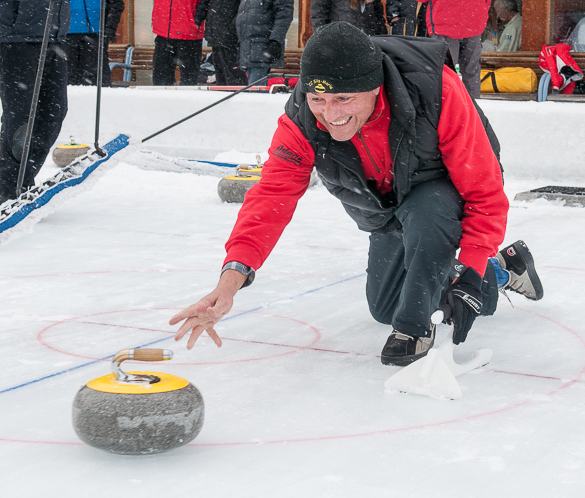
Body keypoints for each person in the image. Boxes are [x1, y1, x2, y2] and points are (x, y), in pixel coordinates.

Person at [170, 22, 544, 366]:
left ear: (374, 87)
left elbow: (484, 192)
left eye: (343, 99)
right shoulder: (302, 119)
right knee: (386, 308)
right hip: (384, 209)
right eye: (319, 100)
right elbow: (271, 197)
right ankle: (503, 271)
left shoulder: (436, 91)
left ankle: (415, 328)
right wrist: (230, 280)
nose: (329, 114)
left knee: (424, 241)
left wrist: (474, 259)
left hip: (442, 192)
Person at [0, 0, 70, 205]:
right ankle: (11, 186)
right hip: (14, 31)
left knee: (53, 111)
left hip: (51, 33)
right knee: (21, 114)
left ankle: (25, 177)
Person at [417, 0, 491, 99]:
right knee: (471, 72)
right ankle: (474, 107)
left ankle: (445, 105)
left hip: (444, 22)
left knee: (444, 72)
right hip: (474, 21)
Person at [66, 0, 124, 86]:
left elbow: (116, 5)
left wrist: (110, 27)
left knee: (95, 76)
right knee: (68, 76)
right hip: (67, 34)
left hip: (95, 33)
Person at [236, 0, 293, 85]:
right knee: (253, 88)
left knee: (256, 91)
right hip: (247, 48)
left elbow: (284, 15)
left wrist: (275, 40)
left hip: (262, 47)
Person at [151, 0, 204, 86]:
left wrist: (198, 19)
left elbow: (205, 2)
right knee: (160, 81)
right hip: (164, 32)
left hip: (189, 34)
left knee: (188, 81)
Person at [194, 0, 246, 85]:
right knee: (220, 75)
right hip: (216, 35)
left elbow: (244, 10)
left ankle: (236, 95)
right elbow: (205, 4)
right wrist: (197, 20)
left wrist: (232, 29)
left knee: (234, 77)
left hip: (231, 39)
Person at [311, 0, 387, 36]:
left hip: (369, 40)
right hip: (340, 39)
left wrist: (383, 38)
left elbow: (378, 16)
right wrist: (321, 39)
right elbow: (318, 16)